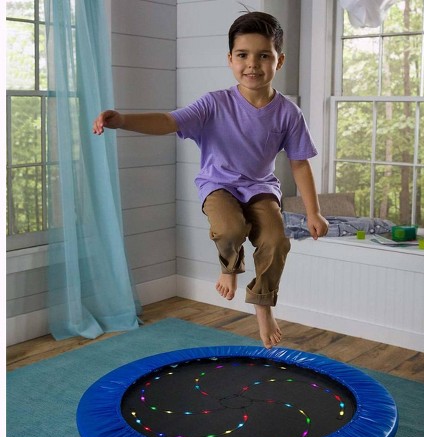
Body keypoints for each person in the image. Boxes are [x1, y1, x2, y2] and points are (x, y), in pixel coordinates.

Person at [92, 11, 329, 349]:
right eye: (243, 55)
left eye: (264, 55)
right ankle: (230, 268)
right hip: (218, 185)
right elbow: (167, 121)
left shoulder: (288, 113)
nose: (253, 64)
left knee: (277, 240)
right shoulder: (215, 104)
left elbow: (300, 164)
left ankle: (263, 304)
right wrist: (123, 121)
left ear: (280, 61)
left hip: (260, 188)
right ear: (230, 59)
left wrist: (313, 212)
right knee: (230, 228)